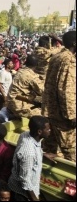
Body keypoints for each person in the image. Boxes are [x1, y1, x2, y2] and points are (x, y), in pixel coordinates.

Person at [42, 31, 76, 162]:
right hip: (63, 115)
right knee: (70, 150)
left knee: (50, 147)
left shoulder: (57, 56)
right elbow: (66, 89)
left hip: (51, 110)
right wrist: (72, 114)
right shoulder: (69, 60)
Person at [8, 116, 51, 201]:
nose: (50, 131)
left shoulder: (25, 135)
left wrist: (42, 153)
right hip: (22, 194)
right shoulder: (29, 153)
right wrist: (34, 199)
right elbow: (25, 181)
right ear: (39, 132)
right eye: (48, 129)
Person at [6, 54, 43, 119]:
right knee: (44, 115)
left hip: (13, 101)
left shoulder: (21, 71)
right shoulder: (31, 75)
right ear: (37, 65)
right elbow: (42, 91)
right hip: (18, 104)